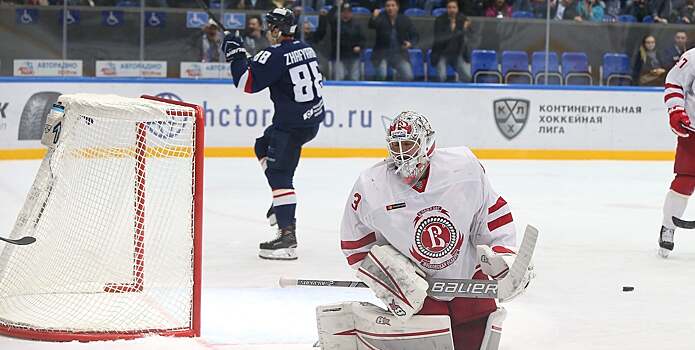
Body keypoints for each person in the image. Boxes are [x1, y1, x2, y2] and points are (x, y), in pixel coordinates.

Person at [317, 111, 534, 349]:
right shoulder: (371, 186)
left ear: (427, 144)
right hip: (418, 291)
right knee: (429, 337)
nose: (401, 154)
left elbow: (491, 214)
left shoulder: (464, 168)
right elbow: (354, 244)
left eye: (408, 145)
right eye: (395, 146)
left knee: (481, 339)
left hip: (467, 280)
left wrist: (504, 255)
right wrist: (387, 278)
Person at [223, 8, 325, 260]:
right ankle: (281, 206)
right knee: (262, 145)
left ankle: (287, 237)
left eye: (271, 27)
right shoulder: (306, 48)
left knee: (281, 178)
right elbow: (269, 66)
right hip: (310, 121)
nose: (269, 31)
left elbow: (246, 83)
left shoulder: (273, 54)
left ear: (278, 29)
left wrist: (235, 54)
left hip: (290, 126)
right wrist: (249, 58)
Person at [660, 47, 695, 258]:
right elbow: (674, 82)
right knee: (684, 182)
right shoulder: (692, 57)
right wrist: (676, 110)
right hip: (693, 132)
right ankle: (668, 227)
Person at [314, 2, 366, 81]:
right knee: (339, 77)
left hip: (353, 56)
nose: (346, 14)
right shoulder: (336, 23)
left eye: (348, 12)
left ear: (351, 13)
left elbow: (363, 39)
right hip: (339, 56)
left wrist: (360, 47)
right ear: (341, 13)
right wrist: (336, 6)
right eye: (344, 12)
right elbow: (328, 18)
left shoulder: (357, 25)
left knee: (354, 78)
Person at [368, 0, 419, 81]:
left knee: (409, 76)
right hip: (381, 54)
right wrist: (374, 17)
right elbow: (371, 25)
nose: (390, 8)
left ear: (397, 7)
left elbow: (415, 35)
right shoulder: (381, 17)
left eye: (392, 5)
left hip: (399, 54)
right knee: (382, 76)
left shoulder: (404, 19)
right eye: (388, 6)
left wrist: (410, 43)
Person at [432, 0, 472, 82]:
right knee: (441, 77)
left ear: (457, 9)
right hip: (442, 54)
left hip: (458, 54)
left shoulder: (463, 19)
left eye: (454, 7)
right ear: (446, 9)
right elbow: (441, 38)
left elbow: (469, 36)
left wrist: (465, 28)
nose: (452, 10)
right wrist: (459, 29)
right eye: (449, 7)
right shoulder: (440, 20)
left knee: (467, 77)